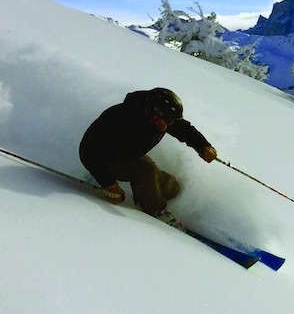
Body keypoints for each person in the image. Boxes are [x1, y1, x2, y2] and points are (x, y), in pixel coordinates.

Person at [79, 88, 217, 226]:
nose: (168, 125)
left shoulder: (164, 118)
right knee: (145, 170)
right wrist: (108, 183)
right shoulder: (119, 118)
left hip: (129, 155)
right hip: (104, 160)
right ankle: (155, 210)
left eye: (171, 121)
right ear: (153, 115)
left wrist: (203, 146)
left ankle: (157, 195)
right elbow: (88, 152)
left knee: (170, 186)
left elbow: (184, 129)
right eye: (167, 121)